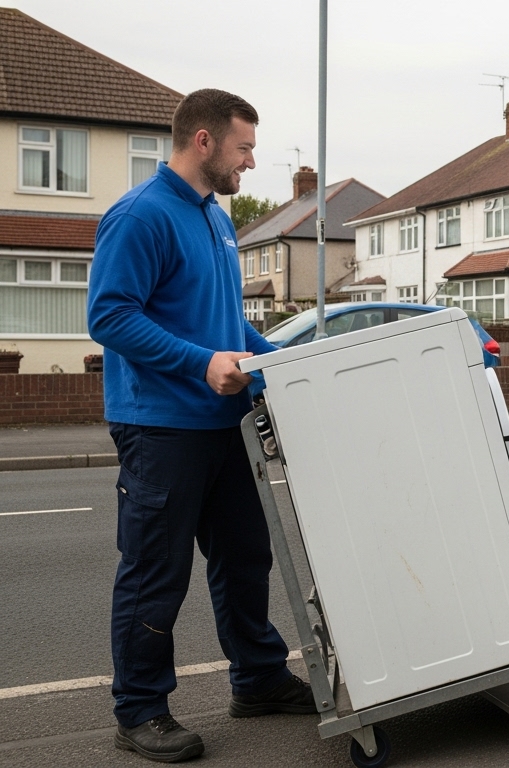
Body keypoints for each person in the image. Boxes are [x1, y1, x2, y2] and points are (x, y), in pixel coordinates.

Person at [88, 89, 315, 764]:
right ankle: (139, 711)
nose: (251, 161)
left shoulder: (215, 218)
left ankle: (258, 678)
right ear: (206, 142)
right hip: (161, 428)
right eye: (244, 147)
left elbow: (223, 324)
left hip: (225, 423)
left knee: (245, 557)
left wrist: (286, 363)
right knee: (156, 571)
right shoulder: (141, 215)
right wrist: (200, 363)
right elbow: (110, 317)